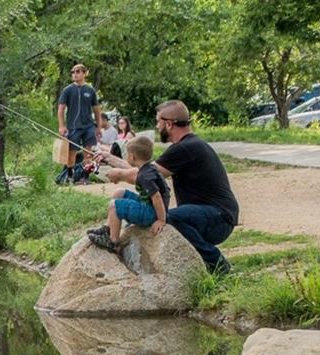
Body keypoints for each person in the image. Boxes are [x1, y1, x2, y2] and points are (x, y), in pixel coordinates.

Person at [96, 100, 238, 274]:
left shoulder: (186, 148)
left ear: (169, 124)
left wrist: (120, 174)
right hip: (213, 215)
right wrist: (110, 159)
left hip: (219, 218)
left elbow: (143, 176)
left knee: (168, 219)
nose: (156, 126)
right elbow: (144, 171)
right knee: (165, 216)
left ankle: (217, 265)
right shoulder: (187, 145)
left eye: (158, 122)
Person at [85, 136, 168, 251]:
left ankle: (112, 242)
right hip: (147, 205)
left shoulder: (145, 176)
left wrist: (161, 220)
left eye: (127, 154)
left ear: (132, 156)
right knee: (119, 193)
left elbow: (157, 197)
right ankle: (107, 228)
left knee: (115, 205)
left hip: (150, 213)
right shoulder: (148, 168)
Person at [56, 64, 102, 185]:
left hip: (88, 126)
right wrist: (61, 126)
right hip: (73, 126)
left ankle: (85, 177)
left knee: (88, 152)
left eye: (77, 71)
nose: (74, 74)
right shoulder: (68, 90)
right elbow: (60, 109)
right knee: (72, 152)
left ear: (84, 73)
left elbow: (97, 110)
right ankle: (70, 176)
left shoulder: (90, 90)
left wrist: (99, 126)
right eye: (73, 72)